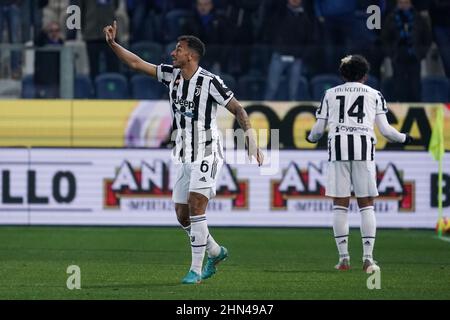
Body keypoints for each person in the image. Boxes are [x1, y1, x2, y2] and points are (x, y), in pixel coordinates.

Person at [104, 21, 264, 284]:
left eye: (178, 49)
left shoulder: (210, 82)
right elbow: (135, 63)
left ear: (190, 55)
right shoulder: (171, 76)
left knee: (196, 204)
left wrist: (252, 141)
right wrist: (112, 44)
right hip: (183, 153)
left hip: (207, 151)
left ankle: (196, 270)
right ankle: (216, 251)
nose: (172, 53)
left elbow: (239, 110)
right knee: (182, 214)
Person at [306, 55, 413, 271]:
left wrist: (311, 138)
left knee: (340, 203)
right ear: (365, 75)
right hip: (364, 151)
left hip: (338, 150)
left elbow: (317, 131)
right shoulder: (375, 94)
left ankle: (344, 259)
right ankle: (367, 259)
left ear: (342, 74)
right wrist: (405, 138)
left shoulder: (330, 94)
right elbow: (386, 131)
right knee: (366, 204)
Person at [381, 0, 432, 102]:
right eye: (401, 3)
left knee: (415, 85)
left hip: (414, 57)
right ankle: (400, 108)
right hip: (398, 57)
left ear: (410, 3)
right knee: (399, 86)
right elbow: (385, 39)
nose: (403, 5)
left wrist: (421, 53)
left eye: (406, 3)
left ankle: (416, 108)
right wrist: (391, 53)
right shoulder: (391, 18)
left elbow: (427, 38)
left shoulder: (419, 18)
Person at [34, 21, 64, 98]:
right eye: (51, 31)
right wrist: (44, 31)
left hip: (57, 82)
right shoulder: (42, 43)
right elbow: (37, 40)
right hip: (44, 82)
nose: (54, 33)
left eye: (56, 30)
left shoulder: (62, 45)